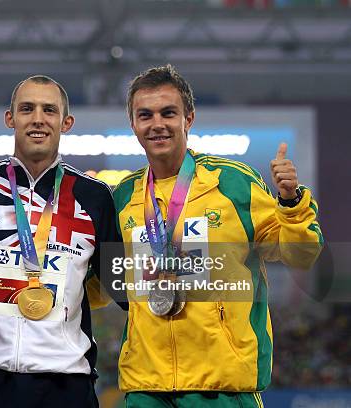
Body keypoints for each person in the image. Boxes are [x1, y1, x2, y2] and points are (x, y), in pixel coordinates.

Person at [111, 65, 322, 407]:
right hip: (146, 388)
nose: (157, 124)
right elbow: (109, 283)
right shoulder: (124, 197)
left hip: (222, 387)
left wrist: (291, 201)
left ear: (188, 118)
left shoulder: (232, 183)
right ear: (133, 124)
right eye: (145, 115)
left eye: (169, 113)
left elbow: (302, 255)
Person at [0, 75, 117, 408]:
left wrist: (203, 270)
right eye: (27, 108)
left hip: (69, 381)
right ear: (10, 118)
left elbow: (126, 287)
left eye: (49, 110)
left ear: (66, 122)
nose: (38, 119)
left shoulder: (95, 197)